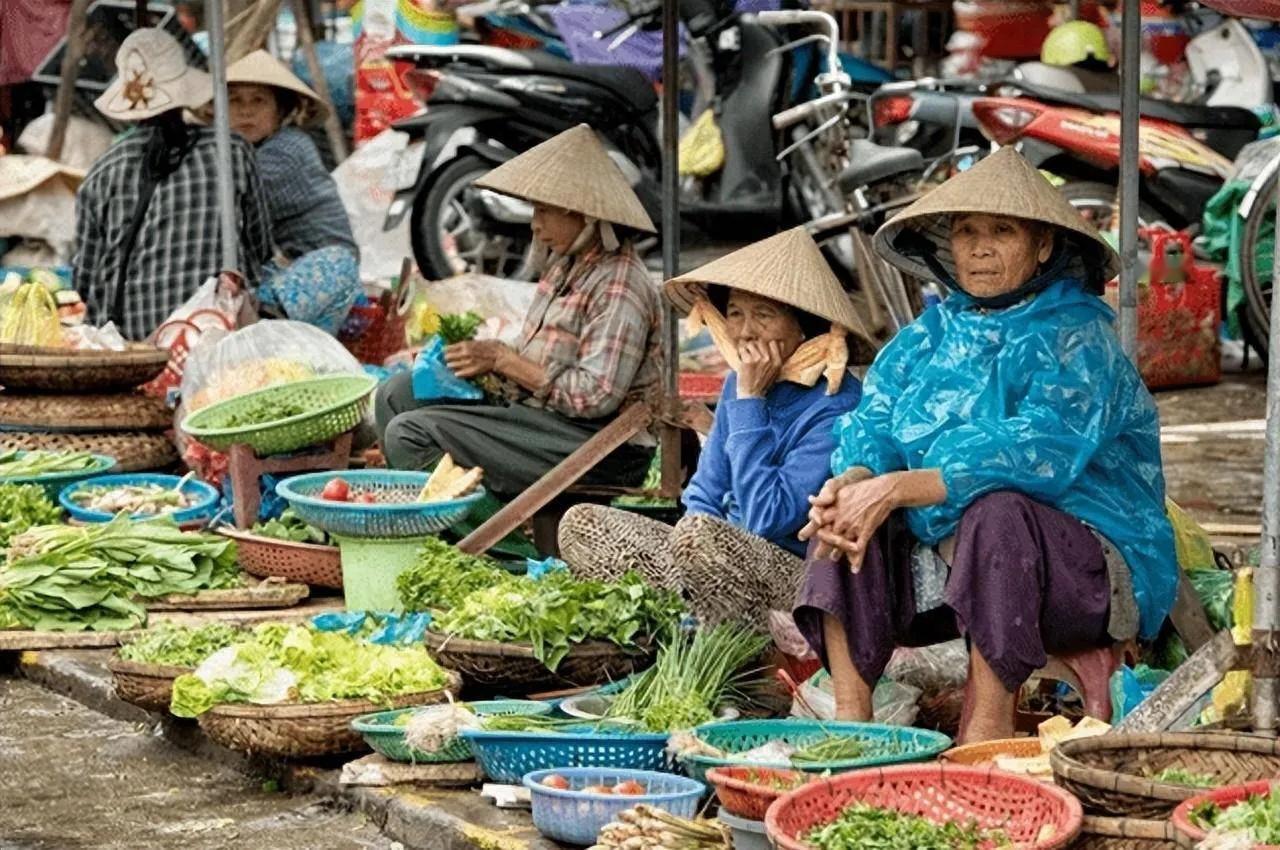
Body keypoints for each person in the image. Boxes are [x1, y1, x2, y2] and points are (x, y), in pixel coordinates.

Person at [794, 146, 1178, 744]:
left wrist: (894, 487)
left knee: (996, 511)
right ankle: (851, 724)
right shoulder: (928, 337)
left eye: (1002, 231)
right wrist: (853, 479)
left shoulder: (1078, 340)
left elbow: (1035, 454)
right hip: (955, 568)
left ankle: (986, 730)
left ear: (1043, 244)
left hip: (1092, 572)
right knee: (844, 516)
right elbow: (873, 424)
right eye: (967, 231)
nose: (979, 247)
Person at [557, 227, 871, 631]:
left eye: (764, 314)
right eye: (736, 313)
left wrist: (751, 402)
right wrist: (687, 571)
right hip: (713, 559)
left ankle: (711, 630)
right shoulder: (736, 385)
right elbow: (705, 495)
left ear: (804, 328)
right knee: (582, 525)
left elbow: (767, 519)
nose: (744, 332)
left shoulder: (836, 403)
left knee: (701, 539)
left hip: (797, 581)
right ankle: (688, 622)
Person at [374, 124, 661, 497]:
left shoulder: (619, 284)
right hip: (544, 419)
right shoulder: (565, 263)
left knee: (410, 434)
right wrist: (480, 359)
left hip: (598, 445)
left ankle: (480, 543)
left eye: (544, 211)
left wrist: (502, 360)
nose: (535, 225)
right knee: (395, 392)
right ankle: (428, 512)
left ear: (583, 215)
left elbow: (593, 397)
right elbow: (539, 353)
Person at [73, 28, 271, 341]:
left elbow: (84, 279)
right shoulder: (231, 149)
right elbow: (260, 247)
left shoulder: (103, 170)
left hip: (127, 342)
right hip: (211, 329)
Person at [223, 50, 361, 335]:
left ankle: (267, 327)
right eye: (235, 100)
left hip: (315, 280)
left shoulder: (288, 151)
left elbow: (233, 200)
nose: (245, 111)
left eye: (258, 101)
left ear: (280, 111)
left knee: (338, 262)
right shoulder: (244, 152)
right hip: (279, 273)